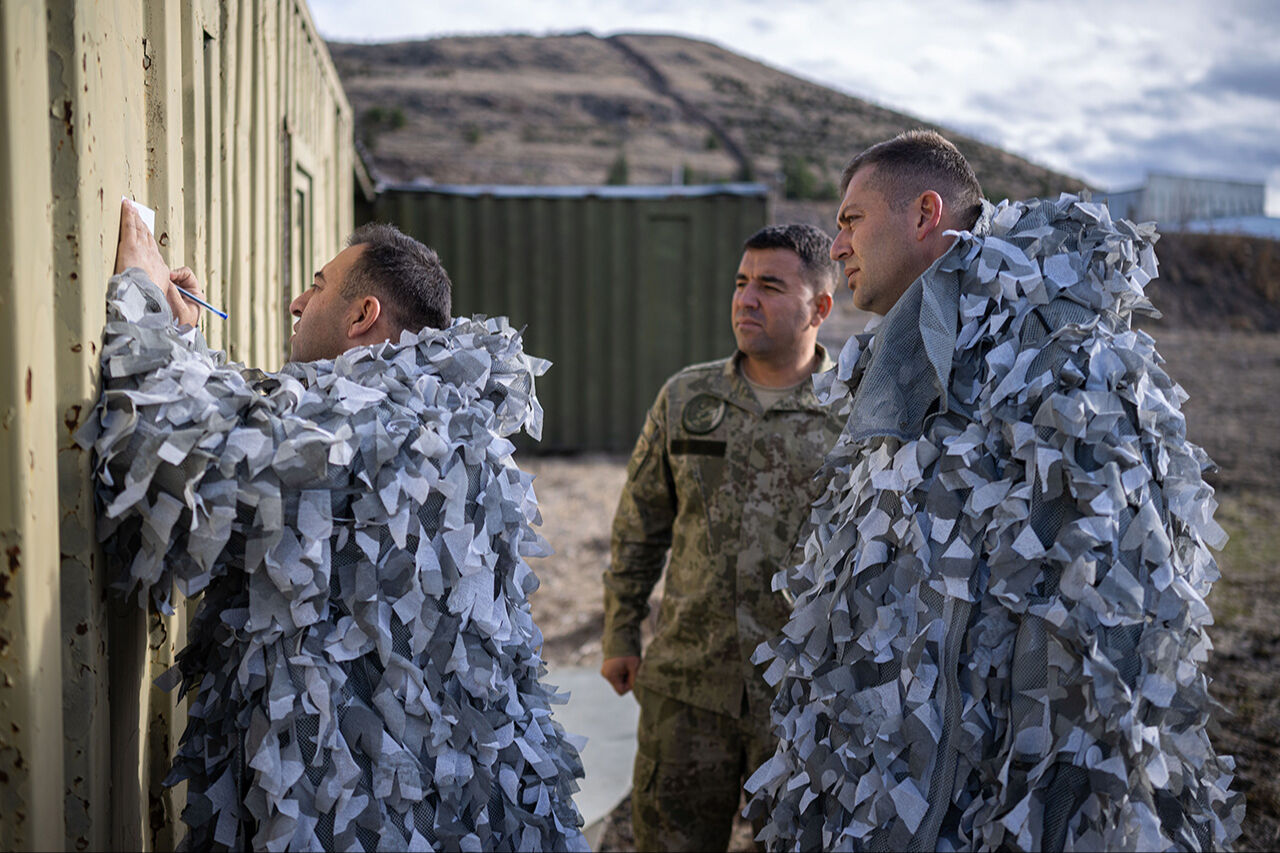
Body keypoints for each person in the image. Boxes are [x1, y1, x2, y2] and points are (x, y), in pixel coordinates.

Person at [745, 130, 1244, 851]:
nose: (837, 244)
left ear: (923, 214)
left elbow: (1099, 633)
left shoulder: (1056, 358)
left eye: (851, 220)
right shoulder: (921, 361)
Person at [85, 199, 588, 851]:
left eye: (317, 285)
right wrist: (187, 345)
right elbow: (274, 437)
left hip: (355, 816)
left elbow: (165, 463)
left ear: (363, 315)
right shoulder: (459, 431)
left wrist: (143, 304)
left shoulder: (367, 434)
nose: (297, 301)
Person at [600, 223, 844, 851]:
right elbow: (640, 526)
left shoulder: (857, 411)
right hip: (686, 687)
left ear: (820, 307)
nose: (746, 299)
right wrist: (621, 632)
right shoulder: (687, 398)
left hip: (802, 700)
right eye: (740, 283)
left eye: (769, 285)